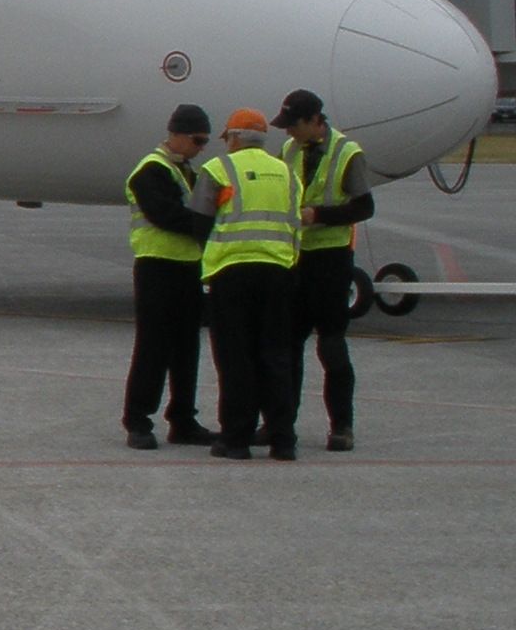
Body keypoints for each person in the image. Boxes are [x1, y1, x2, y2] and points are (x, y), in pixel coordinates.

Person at [190, 107, 302, 459]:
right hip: (278, 270)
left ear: (235, 138)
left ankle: (236, 438)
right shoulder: (286, 172)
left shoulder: (219, 169)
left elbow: (199, 221)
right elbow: (296, 220)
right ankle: (282, 439)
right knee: (277, 355)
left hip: (232, 272)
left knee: (235, 357)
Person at [276, 89, 371, 451]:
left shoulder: (348, 153)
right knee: (288, 346)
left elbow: (364, 207)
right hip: (297, 256)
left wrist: (320, 216)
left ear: (316, 121)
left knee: (331, 346)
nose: (288, 133)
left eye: (294, 126)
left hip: (331, 259)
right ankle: (283, 423)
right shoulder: (289, 151)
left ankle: (342, 425)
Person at [122, 104, 214, 448]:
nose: (201, 147)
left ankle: (183, 419)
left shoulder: (188, 171)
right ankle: (137, 419)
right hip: (156, 265)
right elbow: (165, 215)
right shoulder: (150, 171)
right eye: (197, 139)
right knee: (153, 346)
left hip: (188, 266)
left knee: (186, 347)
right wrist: (208, 226)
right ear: (176, 134)